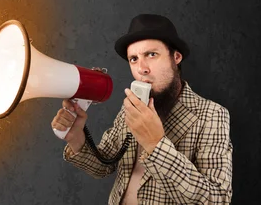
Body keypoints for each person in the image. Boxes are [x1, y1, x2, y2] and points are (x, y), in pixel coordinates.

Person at [51, 14, 233, 204]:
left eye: (151, 54)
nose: (141, 69)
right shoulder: (131, 108)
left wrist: (155, 144)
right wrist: (77, 138)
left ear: (176, 57)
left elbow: (217, 199)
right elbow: (103, 166)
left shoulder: (212, 115)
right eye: (134, 59)